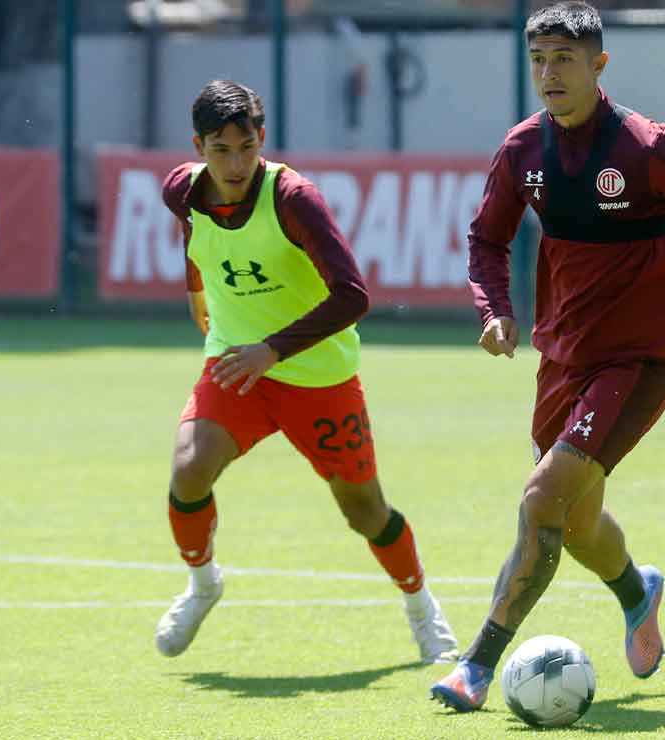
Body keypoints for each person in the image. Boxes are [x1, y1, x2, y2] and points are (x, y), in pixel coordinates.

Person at [430, 1, 665, 712]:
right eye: (538, 60)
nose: (549, 73)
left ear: (599, 65)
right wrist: (496, 311)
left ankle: (477, 666)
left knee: (542, 498)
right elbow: (485, 239)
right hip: (564, 359)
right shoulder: (522, 151)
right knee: (574, 523)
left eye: (564, 59)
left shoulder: (647, 147)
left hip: (637, 363)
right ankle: (639, 594)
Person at [154, 79, 459, 664]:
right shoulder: (182, 193)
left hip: (318, 376)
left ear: (261, 139)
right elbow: (193, 237)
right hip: (235, 365)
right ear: (199, 147)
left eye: (246, 147)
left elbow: (353, 295)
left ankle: (422, 608)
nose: (236, 163)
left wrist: (272, 348)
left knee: (364, 511)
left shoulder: (294, 199)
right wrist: (197, 291)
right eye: (221, 150)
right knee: (189, 471)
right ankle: (202, 583)